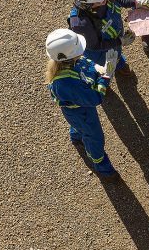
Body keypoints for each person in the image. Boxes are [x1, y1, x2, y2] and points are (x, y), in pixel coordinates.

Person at [45, 28, 119, 180]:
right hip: (82, 112)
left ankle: (76, 137)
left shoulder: (69, 61)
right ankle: (102, 167)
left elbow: (85, 63)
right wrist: (106, 76)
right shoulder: (66, 84)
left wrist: (99, 69)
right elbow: (95, 98)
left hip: (77, 110)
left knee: (78, 126)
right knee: (94, 138)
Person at [68, 0, 149, 76]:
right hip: (99, 52)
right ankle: (104, 79)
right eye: (100, 1)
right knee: (105, 68)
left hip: (114, 39)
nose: (105, 0)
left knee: (116, 54)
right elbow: (94, 45)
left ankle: (119, 64)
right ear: (86, 3)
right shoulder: (81, 23)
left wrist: (136, 2)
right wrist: (120, 41)